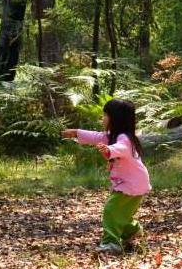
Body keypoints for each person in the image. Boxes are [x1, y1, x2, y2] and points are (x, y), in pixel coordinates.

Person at [61, 99, 151, 254]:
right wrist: (76, 132)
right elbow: (96, 136)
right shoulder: (112, 135)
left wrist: (109, 150)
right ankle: (132, 231)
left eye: (105, 115)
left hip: (132, 184)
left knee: (111, 209)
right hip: (134, 182)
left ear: (115, 118)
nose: (103, 119)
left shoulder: (124, 138)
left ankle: (111, 244)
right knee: (120, 212)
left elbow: (121, 148)